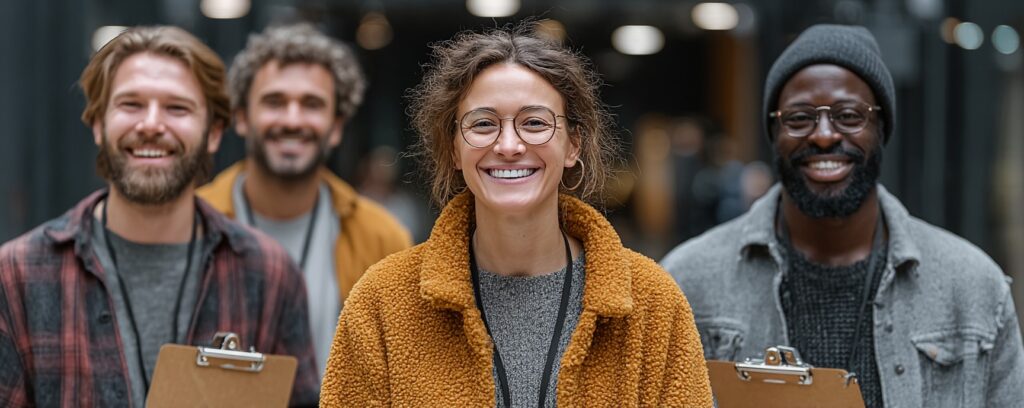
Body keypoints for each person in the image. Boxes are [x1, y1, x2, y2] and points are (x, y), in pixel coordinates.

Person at [320, 24, 713, 407]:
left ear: (573, 145)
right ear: (455, 148)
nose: (509, 145)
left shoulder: (653, 304)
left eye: (535, 123)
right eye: (484, 124)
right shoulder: (383, 301)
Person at [661, 24, 1024, 407]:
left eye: (849, 115)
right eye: (799, 118)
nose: (823, 135)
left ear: (881, 128)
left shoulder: (972, 288)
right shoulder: (688, 284)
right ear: (773, 133)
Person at [0, 26, 319, 407]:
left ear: (214, 132)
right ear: (99, 125)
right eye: (131, 104)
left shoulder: (270, 275)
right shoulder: (17, 275)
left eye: (177, 108)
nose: (151, 124)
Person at [197, 24, 411, 377]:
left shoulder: (380, 237)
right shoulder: (192, 222)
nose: (292, 120)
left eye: (311, 104)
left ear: (337, 126)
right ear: (241, 118)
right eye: (274, 102)